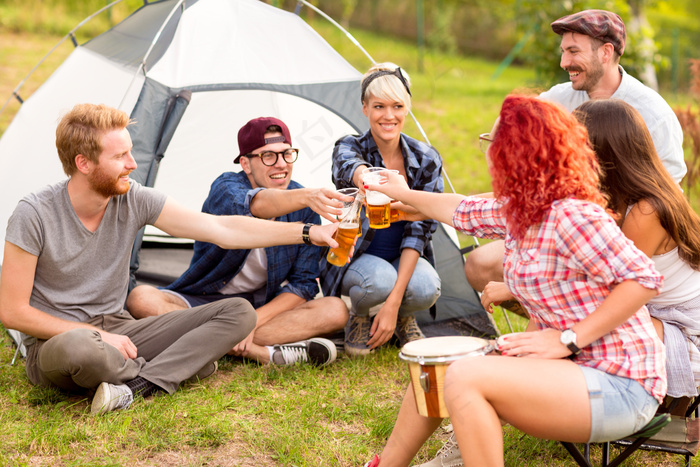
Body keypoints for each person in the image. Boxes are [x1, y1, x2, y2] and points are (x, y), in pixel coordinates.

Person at [362, 94, 666, 467]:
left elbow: (644, 279)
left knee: (465, 377)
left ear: (515, 153)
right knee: (436, 367)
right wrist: (403, 194)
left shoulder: (571, 215)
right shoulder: (525, 209)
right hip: (574, 370)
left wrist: (568, 338)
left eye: (493, 144)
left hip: (621, 383)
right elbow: (462, 210)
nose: (487, 153)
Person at [0, 104, 339, 415]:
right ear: (84, 163)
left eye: (131, 152)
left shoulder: (135, 198)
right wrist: (96, 335)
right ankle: (183, 366)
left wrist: (308, 232)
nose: (133, 165)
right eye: (121, 156)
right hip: (60, 343)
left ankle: (138, 384)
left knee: (238, 312)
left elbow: (221, 229)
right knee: (83, 349)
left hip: (122, 329)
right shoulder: (34, 214)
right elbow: (12, 312)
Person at [464, 9, 687, 298]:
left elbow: (666, 199)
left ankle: (566, 316)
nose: (563, 62)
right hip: (565, 225)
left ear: (606, 52)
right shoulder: (562, 97)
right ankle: (553, 314)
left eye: (572, 51)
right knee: (479, 265)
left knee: (558, 274)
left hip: (628, 241)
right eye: (563, 51)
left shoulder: (653, 115)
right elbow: (515, 117)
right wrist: (496, 146)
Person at [126, 117, 349, 367]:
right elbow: (255, 204)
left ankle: (213, 342)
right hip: (206, 300)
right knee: (141, 298)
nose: (281, 164)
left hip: (263, 304)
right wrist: (308, 197)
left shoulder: (306, 206)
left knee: (336, 310)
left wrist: (252, 320)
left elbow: (303, 285)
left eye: (287, 154)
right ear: (246, 163)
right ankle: (262, 353)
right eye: (268, 156)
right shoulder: (226, 187)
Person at [573, 99, 700, 400]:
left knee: (581, 321)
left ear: (601, 155)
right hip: (656, 314)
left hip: (686, 334)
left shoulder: (647, 211)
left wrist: (514, 289)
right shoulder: (620, 196)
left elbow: (609, 288)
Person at [319, 63, 443, 357]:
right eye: (379, 106)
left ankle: (401, 316)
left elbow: (419, 231)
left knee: (427, 287)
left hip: (402, 253)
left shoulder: (426, 158)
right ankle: (359, 316)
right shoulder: (348, 146)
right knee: (378, 281)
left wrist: (394, 303)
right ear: (365, 108)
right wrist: (367, 178)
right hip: (359, 256)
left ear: (407, 108)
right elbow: (349, 166)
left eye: (397, 106)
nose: (389, 116)